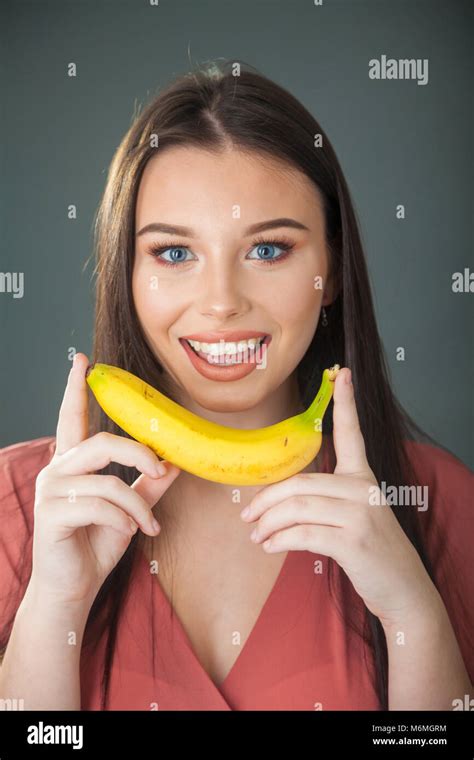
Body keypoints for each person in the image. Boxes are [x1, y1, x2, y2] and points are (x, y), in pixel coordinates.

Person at [0, 62, 472, 711]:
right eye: (173, 253)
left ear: (330, 271)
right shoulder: (19, 511)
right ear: (127, 274)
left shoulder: (440, 504)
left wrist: (412, 615)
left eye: (268, 250)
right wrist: (56, 607)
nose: (221, 303)